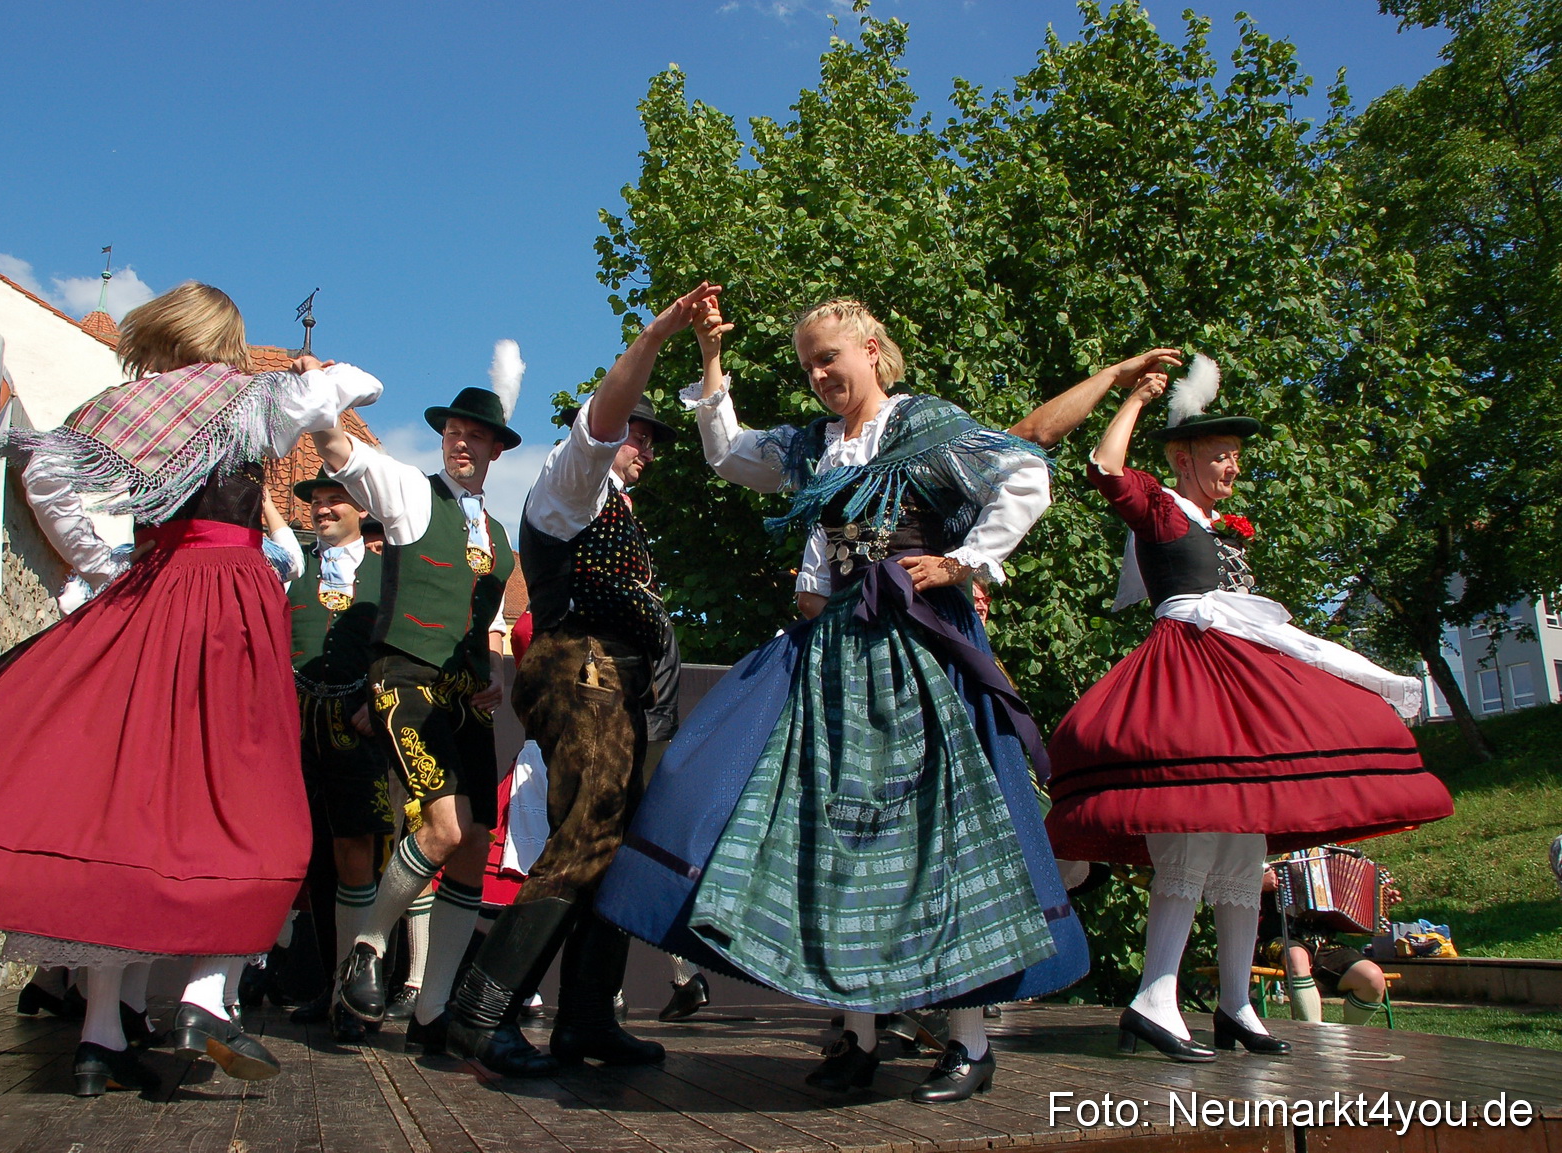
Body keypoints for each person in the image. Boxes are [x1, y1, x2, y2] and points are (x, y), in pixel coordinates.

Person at [599, 299, 1177, 1104]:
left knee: (942, 838)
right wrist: (708, 359)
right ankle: (861, 1035)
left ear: (873, 350)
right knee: (837, 839)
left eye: (830, 357)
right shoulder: (810, 446)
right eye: (809, 365)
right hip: (834, 657)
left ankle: (971, 1043)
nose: (820, 375)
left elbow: (1025, 471)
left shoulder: (926, 428)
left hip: (914, 656)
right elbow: (730, 454)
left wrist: (966, 559)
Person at [0, 282, 383, 1096]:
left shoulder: (127, 408)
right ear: (228, 338)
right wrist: (316, 370)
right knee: (253, 798)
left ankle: (98, 1039)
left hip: (152, 598)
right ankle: (204, 996)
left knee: (129, 806)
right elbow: (362, 383)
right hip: (233, 600)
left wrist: (108, 566)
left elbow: (48, 483)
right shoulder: (262, 396)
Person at [1042, 360, 1453, 1064]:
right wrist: (1137, 396)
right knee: (1196, 822)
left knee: (1243, 839)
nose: (1232, 465)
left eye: (1235, 455)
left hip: (1237, 673)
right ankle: (1154, 994)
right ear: (1184, 457)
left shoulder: (1222, 526)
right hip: (1189, 670)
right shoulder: (1163, 506)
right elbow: (1105, 467)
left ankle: (1235, 1002)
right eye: (1220, 453)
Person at [441, 281, 724, 1077]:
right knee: (592, 823)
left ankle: (586, 1020)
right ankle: (480, 1014)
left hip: (624, 688)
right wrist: (661, 334)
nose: (646, 444)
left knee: (621, 845)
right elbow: (602, 418)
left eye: (652, 439)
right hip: (577, 667)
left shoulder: (625, 515)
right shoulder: (571, 484)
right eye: (639, 430)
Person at [308, 352, 519, 1054]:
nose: (462, 441)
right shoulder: (406, 491)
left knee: (474, 846)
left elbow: (490, 625)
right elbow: (339, 450)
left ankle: (431, 1014)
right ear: (444, 438)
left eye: (475, 434)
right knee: (446, 825)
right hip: (405, 675)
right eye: (454, 430)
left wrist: (495, 669)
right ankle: (367, 948)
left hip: (464, 695)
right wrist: (322, 397)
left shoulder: (501, 540)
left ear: (494, 448)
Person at [284, 473, 392, 1043]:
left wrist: (379, 704)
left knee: (354, 849)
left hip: (356, 721)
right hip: (291, 722)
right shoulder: (291, 566)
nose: (323, 510)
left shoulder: (388, 570)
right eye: (317, 503)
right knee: (295, 852)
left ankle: (353, 993)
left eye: (334, 501)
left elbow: (401, 644)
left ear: (361, 509)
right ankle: (324, 984)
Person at [1258, 865, 1394, 1026]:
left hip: (1322, 942)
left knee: (1372, 978)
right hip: (1272, 938)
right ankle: (1316, 1036)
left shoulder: (1330, 858)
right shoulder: (1264, 852)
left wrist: (1378, 898)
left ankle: (1348, 1040)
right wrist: (1257, 883)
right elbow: (1223, 884)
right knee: (1297, 956)